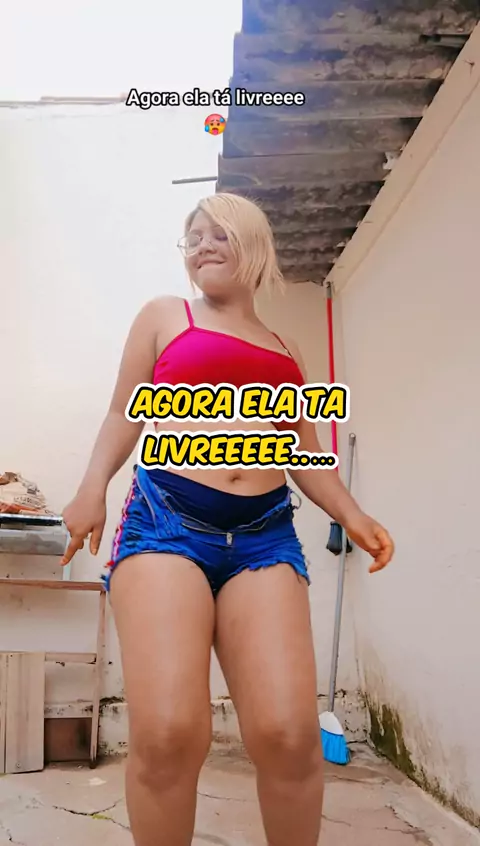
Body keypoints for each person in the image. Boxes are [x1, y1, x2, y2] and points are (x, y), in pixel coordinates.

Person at [61, 192, 394, 846]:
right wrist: (90, 488)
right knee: (169, 733)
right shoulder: (167, 316)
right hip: (166, 526)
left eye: (220, 233)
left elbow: (303, 452)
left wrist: (352, 512)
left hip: (264, 538)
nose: (204, 244)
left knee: (288, 735)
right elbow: (124, 412)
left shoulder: (285, 349)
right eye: (194, 237)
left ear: (256, 247)